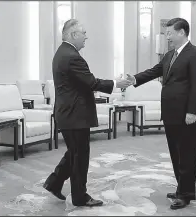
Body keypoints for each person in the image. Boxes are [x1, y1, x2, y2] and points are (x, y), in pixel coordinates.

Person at [43, 19, 131, 207]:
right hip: (74, 115)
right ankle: (79, 197)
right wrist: (116, 84)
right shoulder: (72, 56)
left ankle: (54, 182)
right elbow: (91, 82)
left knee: (74, 153)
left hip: (69, 114)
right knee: (79, 156)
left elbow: (81, 83)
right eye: (83, 33)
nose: (86, 36)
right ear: (74, 35)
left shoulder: (63, 53)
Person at [125, 18, 196, 209]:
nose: (167, 36)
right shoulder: (170, 55)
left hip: (186, 115)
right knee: (176, 153)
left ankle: (185, 194)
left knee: (186, 154)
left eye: (170, 33)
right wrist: (134, 79)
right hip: (170, 113)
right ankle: (181, 188)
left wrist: (191, 111)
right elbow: (154, 71)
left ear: (182, 32)